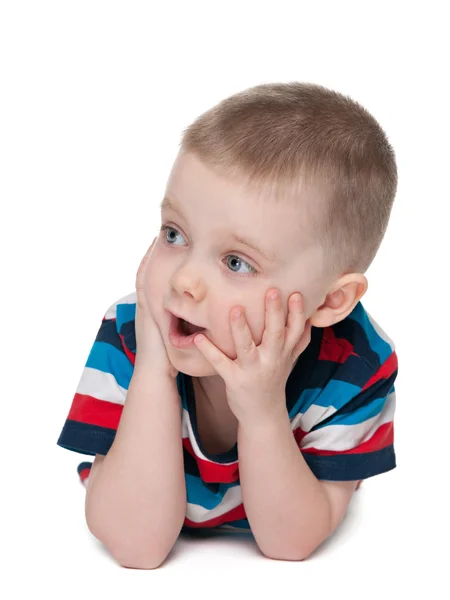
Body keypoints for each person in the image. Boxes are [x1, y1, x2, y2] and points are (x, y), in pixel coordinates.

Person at [56, 82, 398, 568]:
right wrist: (155, 366)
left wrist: (260, 410)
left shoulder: (356, 365)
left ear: (331, 301)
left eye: (237, 262)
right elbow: (136, 547)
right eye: (174, 234)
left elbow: (289, 544)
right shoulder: (132, 332)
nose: (185, 281)